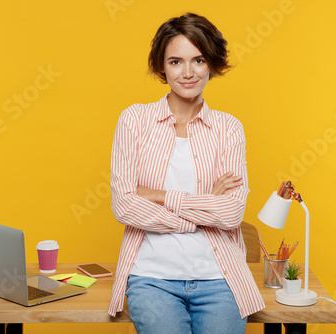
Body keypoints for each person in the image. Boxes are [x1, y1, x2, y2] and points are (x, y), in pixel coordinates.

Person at [108, 13, 265, 333]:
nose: (189, 72)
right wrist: (206, 204)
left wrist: (158, 195)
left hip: (221, 279)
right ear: (161, 67)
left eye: (199, 60)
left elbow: (232, 212)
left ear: (212, 65)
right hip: (152, 280)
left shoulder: (228, 129)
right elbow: (124, 205)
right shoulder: (134, 121)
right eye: (176, 61)